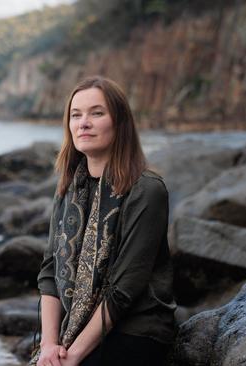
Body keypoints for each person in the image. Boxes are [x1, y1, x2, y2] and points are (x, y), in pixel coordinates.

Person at [31, 76, 177, 366]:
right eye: (76, 115)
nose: (83, 123)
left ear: (119, 122)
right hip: (75, 327)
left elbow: (124, 290)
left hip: (136, 330)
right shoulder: (68, 191)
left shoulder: (146, 190)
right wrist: (49, 346)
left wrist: (72, 356)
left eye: (96, 113)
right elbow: (50, 272)